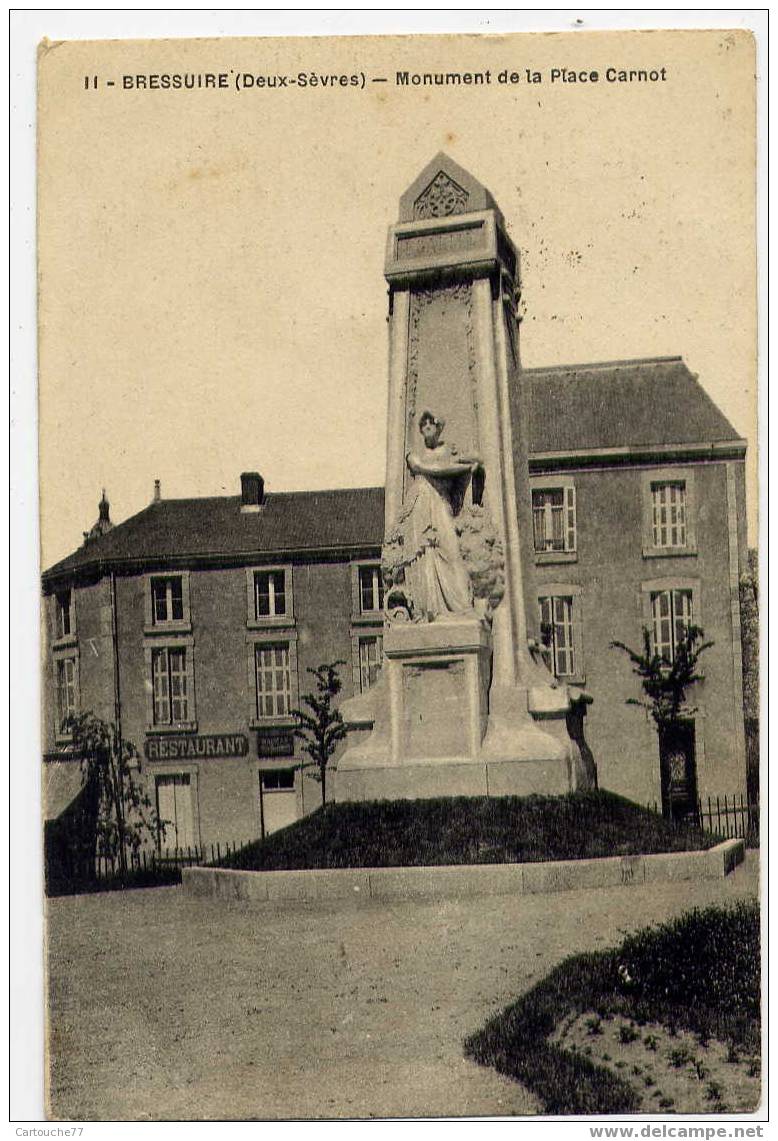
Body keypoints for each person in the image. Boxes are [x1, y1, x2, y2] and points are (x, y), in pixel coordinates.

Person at [400, 410, 481, 621]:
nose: (427, 427)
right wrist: (455, 468)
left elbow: (475, 461)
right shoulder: (418, 456)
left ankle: (463, 606)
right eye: (423, 425)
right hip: (422, 505)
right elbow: (419, 465)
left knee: (451, 551)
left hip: (441, 503)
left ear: (438, 427)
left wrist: (466, 466)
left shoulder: (448, 450)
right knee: (426, 555)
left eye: (431, 424)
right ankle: (430, 611)